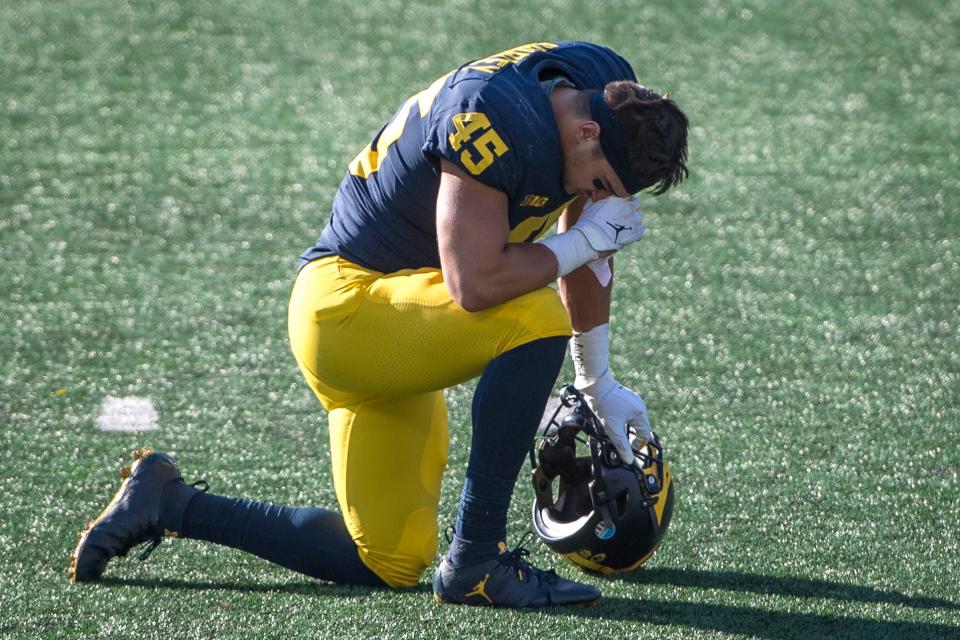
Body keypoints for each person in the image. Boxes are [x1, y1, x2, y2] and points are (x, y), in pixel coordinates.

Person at [69, 41, 689, 608]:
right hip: (347, 309)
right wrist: (580, 242)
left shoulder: (604, 91)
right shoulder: (495, 120)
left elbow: (586, 234)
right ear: (585, 133)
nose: (604, 199)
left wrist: (595, 377)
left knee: (390, 560)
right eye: (603, 183)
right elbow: (475, 285)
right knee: (532, 314)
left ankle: (168, 503)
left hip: (401, 326)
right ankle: (478, 556)